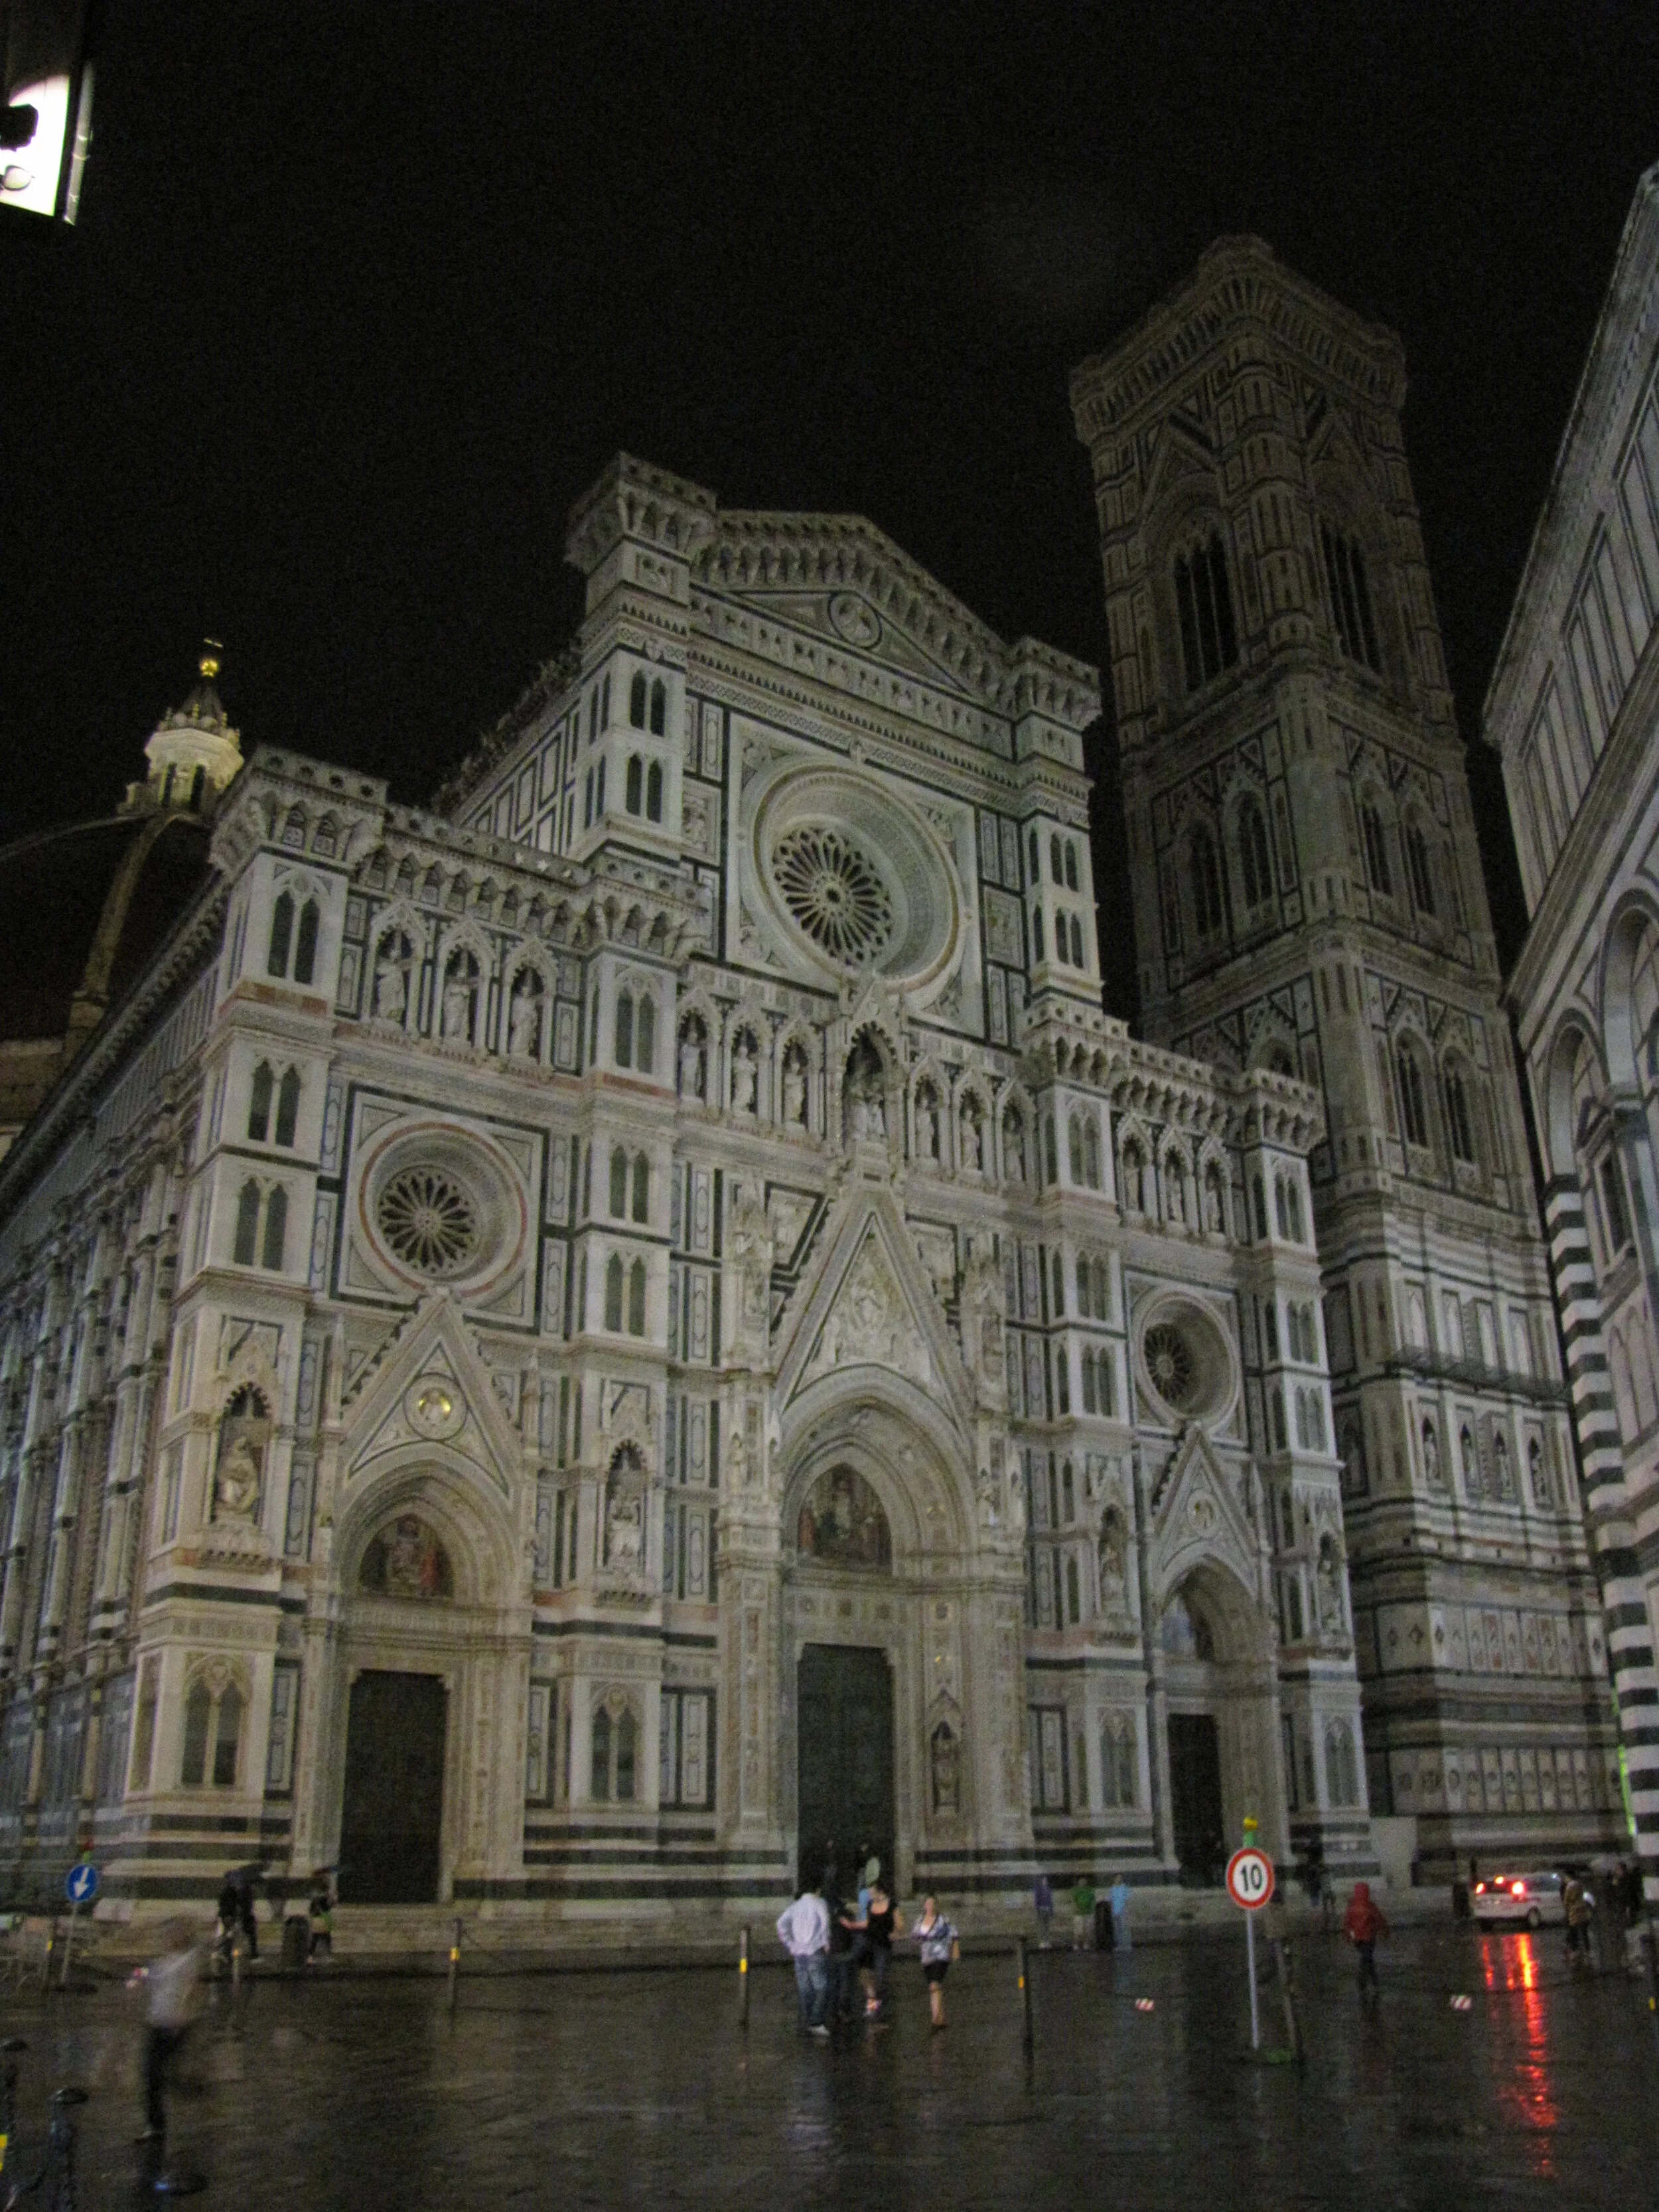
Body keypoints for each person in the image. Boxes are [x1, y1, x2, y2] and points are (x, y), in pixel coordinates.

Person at [129, 1919, 204, 2144]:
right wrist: (137, 1977)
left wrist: (183, 2020)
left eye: (173, 1934)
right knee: (152, 2074)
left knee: (155, 2074)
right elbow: (149, 1974)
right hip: (156, 2023)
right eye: (167, 1934)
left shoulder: (188, 1960)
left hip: (173, 2026)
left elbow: (190, 1990)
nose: (168, 1938)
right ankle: (156, 2124)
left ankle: (183, 2095)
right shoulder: (164, 1961)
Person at [776, 1884, 831, 2037]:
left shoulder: (796, 1906)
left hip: (799, 1952)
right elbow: (825, 1923)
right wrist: (826, 1942)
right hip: (815, 1949)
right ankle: (816, 2021)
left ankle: (805, 2022)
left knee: (804, 1988)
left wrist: (790, 1943)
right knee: (822, 1986)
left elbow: (780, 1924)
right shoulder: (819, 1903)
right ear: (817, 1889)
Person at [849, 1876, 904, 2018]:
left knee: (880, 1978)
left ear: (880, 1892)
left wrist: (895, 1933)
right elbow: (868, 1923)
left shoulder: (892, 1905)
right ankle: (872, 2008)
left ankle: (880, 2009)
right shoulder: (870, 1905)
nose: (870, 1895)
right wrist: (853, 1925)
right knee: (866, 1975)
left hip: (883, 1946)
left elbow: (900, 1925)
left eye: (872, 1892)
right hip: (869, 1944)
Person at [910, 1895, 958, 2029]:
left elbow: (954, 1934)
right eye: (928, 1904)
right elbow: (915, 1936)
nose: (930, 1907)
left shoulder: (944, 1920)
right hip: (926, 1958)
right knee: (934, 1986)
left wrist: (955, 1951)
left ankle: (935, 2018)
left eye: (932, 1904)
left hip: (941, 1956)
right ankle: (940, 2017)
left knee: (934, 1984)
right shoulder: (920, 1920)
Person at [1343, 1881, 1389, 1996]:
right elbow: (1379, 1919)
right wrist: (1385, 1931)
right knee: (1367, 1959)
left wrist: (1348, 1936)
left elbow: (1347, 1923)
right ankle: (1365, 1982)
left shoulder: (1351, 1906)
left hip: (1357, 1938)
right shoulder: (1370, 1906)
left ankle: (1373, 1983)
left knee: (1367, 1958)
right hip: (1369, 1937)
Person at [1563, 1873, 1591, 1964]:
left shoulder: (1569, 1887)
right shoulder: (1580, 1886)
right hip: (1583, 1912)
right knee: (1584, 1933)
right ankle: (1588, 1951)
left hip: (1574, 1913)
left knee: (1573, 1932)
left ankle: (1575, 1951)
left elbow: (1567, 1901)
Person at [308, 1878, 334, 1961]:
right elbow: (327, 1908)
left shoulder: (315, 1898)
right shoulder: (324, 1898)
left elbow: (311, 1910)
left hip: (317, 1918)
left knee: (316, 1937)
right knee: (326, 1937)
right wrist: (332, 1902)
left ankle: (310, 1955)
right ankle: (327, 1954)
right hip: (324, 1918)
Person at [1107, 1873, 1132, 1953]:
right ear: (1114, 1879)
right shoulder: (1112, 1889)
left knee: (1124, 1929)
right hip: (1114, 1912)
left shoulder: (1125, 1888)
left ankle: (1127, 1945)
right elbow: (1110, 1900)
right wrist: (1111, 1910)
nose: (1119, 1879)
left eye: (1120, 1878)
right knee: (1117, 1929)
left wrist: (1127, 1910)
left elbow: (1128, 1900)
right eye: (1117, 1878)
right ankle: (1119, 1945)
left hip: (1123, 1911)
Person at [1072, 1874, 1096, 1951]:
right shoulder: (1076, 1890)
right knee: (1078, 1930)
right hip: (1079, 1914)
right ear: (1079, 1882)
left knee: (1088, 1930)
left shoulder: (1090, 1890)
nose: (1082, 1882)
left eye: (1084, 1881)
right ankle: (1077, 1944)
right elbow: (1074, 1901)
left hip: (1088, 1913)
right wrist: (1076, 1909)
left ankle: (1086, 1944)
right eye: (1081, 1881)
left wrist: (1092, 1909)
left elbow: (1093, 1901)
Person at [1034, 1872, 1054, 1950]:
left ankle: (1046, 1941)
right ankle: (1042, 1941)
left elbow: (1051, 1901)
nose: (1045, 1882)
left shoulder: (1049, 1889)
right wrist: (1038, 1910)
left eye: (1046, 1880)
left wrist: (1052, 1911)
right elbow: (1037, 1900)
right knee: (1042, 1926)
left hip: (1047, 1909)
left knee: (1047, 1926)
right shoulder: (1039, 1890)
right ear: (1042, 1881)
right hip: (1042, 1909)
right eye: (1044, 1880)